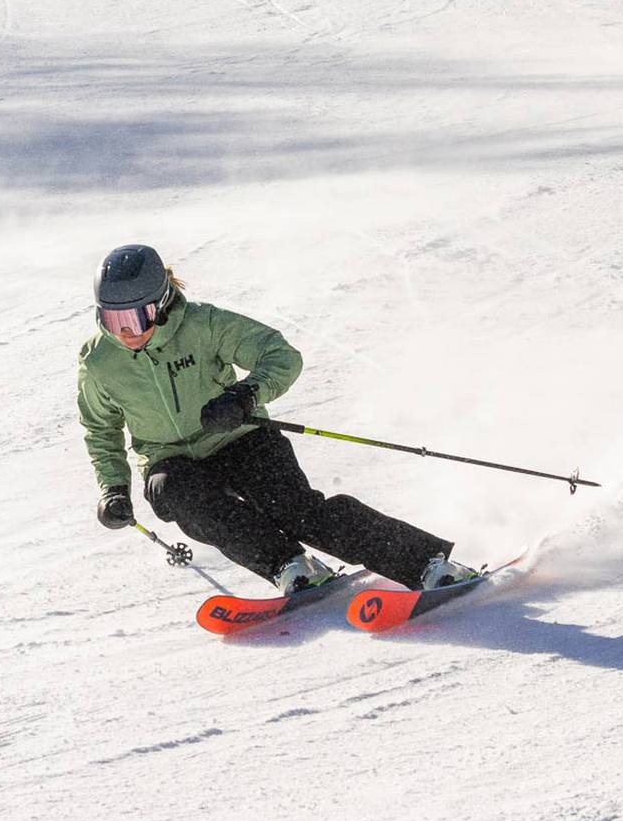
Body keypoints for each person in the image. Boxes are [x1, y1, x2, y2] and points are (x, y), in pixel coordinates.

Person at [77, 243, 477, 594]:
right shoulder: (99, 361)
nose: (127, 333)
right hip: (172, 462)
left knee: (295, 509)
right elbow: (101, 428)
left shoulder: (204, 325)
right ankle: (290, 565)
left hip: (239, 437)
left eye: (137, 318)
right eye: (114, 321)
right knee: (176, 495)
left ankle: (427, 564)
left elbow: (281, 356)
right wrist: (113, 488)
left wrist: (245, 396)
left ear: (162, 304)